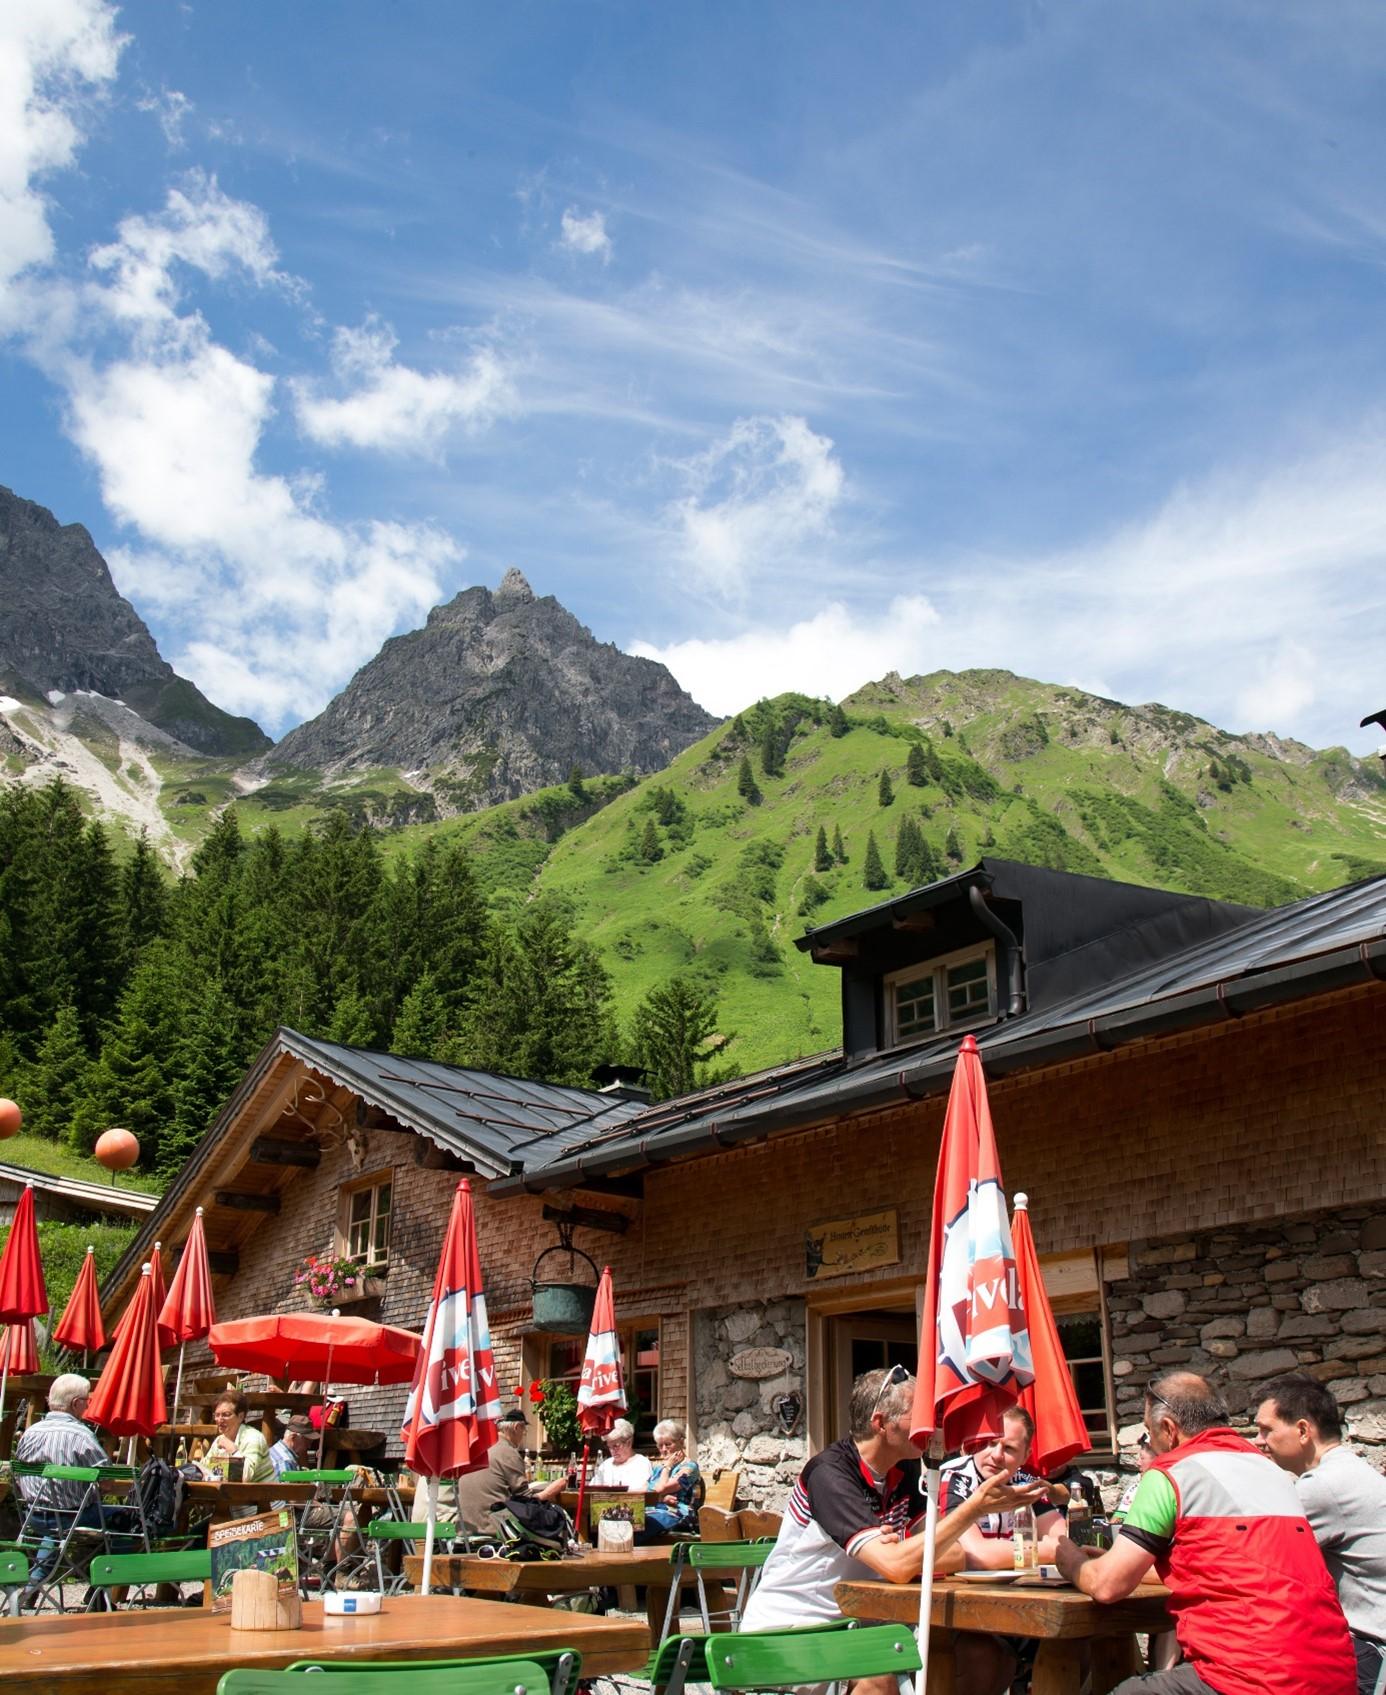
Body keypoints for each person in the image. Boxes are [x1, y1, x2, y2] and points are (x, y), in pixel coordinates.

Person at [742, 1365, 1045, 1695]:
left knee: (988, 1656)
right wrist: (975, 1507)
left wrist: (899, 1548)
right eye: (917, 1417)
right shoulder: (830, 1473)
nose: (928, 1427)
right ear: (881, 1423)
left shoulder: (904, 1471)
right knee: (879, 1680)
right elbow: (899, 1566)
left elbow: (953, 1554)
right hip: (792, 1629)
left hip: (861, 1627)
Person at [1055, 1369, 1356, 1695]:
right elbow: (1226, 1565)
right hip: (1334, 1673)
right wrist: (1122, 1564)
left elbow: (1106, 1585)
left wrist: (1071, 1563)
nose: (1150, 1443)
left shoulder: (1173, 1472)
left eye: (1148, 1432)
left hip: (1254, 1678)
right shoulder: (1272, 1471)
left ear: (1169, 1430)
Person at [1254, 1373, 1386, 1695]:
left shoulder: (1323, 1486)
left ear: (1302, 1430)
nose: (1258, 1440)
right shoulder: (1348, 1470)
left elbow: (1258, 1560)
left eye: (1266, 1429)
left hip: (1371, 1653)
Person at [940, 1403, 1066, 1695]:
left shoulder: (1025, 1482)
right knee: (985, 1657)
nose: (995, 1455)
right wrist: (1047, 1551)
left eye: (1008, 1448)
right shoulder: (954, 1477)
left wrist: (1050, 1548)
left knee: (1072, 1646)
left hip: (1007, 1605)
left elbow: (1063, 1539)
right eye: (987, 1443)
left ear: (1026, 1455)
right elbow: (977, 1555)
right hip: (952, 1610)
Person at [14, 1373, 121, 1604]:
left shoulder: (30, 1433)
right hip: (72, 1516)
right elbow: (108, 1482)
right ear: (75, 1404)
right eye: (87, 1400)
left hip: (33, 1516)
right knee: (129, 1521)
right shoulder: (82, 1436)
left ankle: (33, 1585)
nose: (88, 1405)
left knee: (56, 1526)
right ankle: (100, 1592)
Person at [413, 1408, 567, 1537]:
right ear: (516, 1428)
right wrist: (551, 1490)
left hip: (464, 1529)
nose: (522, 1437)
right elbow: (525, 1501)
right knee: (556, 1523)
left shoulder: (476, 1448)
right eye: (524, 1431)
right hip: (494, 1530)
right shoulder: (507, 1451)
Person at [640, 1417, 700, 1538]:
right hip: (653, 1511)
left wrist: (667, 1468)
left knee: (639, 1527)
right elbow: (644, 1490)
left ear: (681, 1442)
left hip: (676, 1514)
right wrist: (661, 1498)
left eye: (668, 1444)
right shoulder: (658, 1468)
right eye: (660, 1445)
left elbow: (660, 1489)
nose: (663, 1450)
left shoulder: (689, 1468)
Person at [204, 1389, 274, 1484]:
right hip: (235, 1495)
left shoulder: (253, 1438)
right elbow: (204, 1468)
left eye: (226, 1415)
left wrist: (233, 1450)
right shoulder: (220, 1440)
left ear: (241, 1417)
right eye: (217, 1415)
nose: (220, 1420)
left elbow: (245, 1477)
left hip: (263, 1496)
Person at [588, 1418, 653, 1490]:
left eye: (616, 1446)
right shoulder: (605, 1465)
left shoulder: (641, 1463)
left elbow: (639, 1493)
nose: (612, 1451)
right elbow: (592, 1490)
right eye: (609, 1447)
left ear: (629, 1443)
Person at [268, 1414, 314, 1479]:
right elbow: (285, 1489)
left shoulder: (275, 1450)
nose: (309, 1446)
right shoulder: (285, 1461)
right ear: (293, 1437)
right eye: (306, 1441)